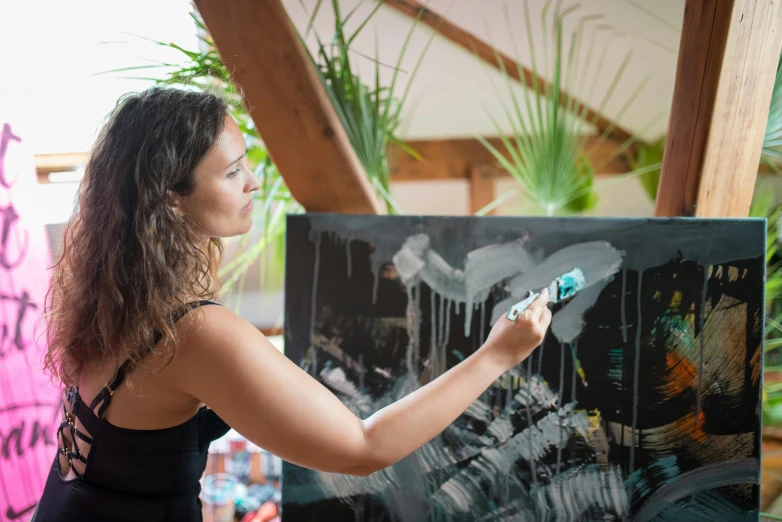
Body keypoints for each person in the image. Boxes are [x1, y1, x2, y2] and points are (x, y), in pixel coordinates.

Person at [33, 87, 552, 521]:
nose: (253, 181)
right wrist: (497, 355)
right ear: (170, 196)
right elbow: (363, 450)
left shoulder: (115, 292)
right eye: (232, 171)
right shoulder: (194, 332)